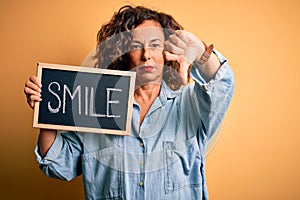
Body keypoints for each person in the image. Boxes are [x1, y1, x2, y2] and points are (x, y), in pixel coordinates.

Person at [24, 5, 234, 200]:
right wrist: (48, 110)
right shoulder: (98, 107)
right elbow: (58, 164)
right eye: (136, 46)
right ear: (123, 54)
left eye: (155, 45)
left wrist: (201, 54)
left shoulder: (191, 105)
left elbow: (221, 84)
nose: (146, 55)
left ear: (166, 52)